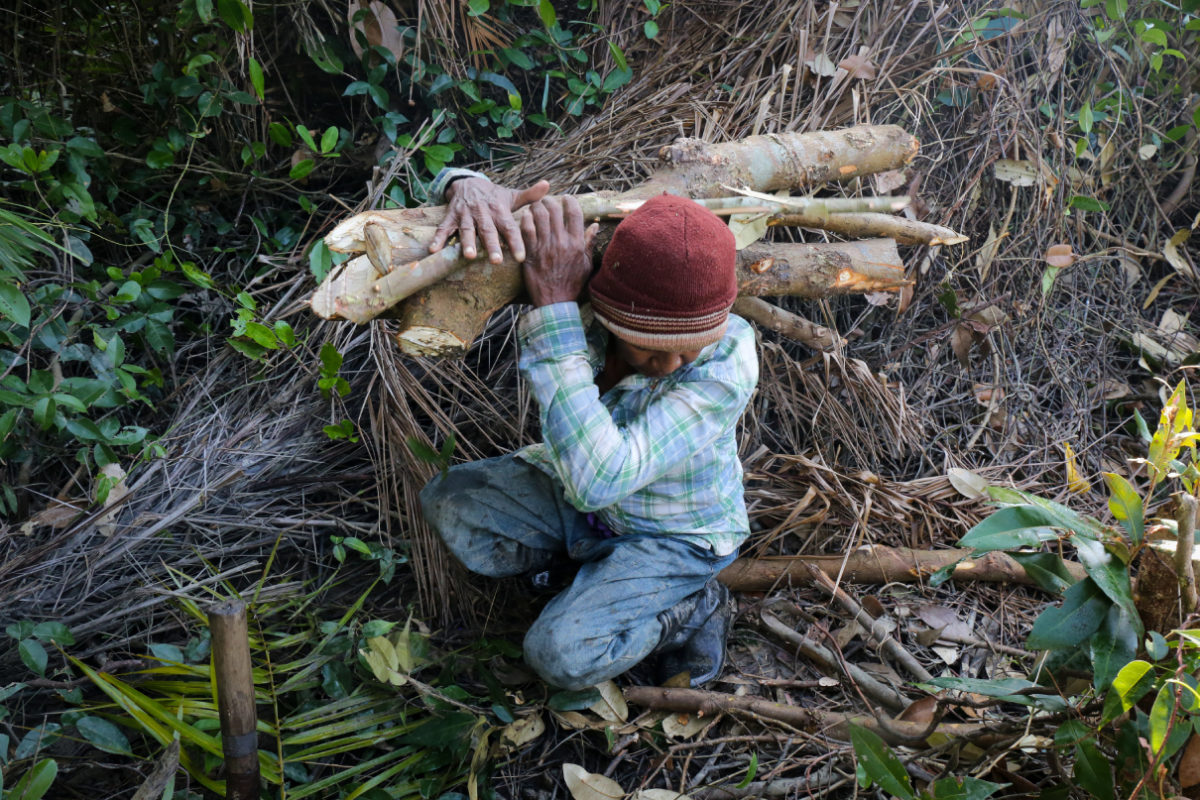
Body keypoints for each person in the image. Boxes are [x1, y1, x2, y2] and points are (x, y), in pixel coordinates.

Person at [418, 168, 759, 691]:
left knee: (561, 654)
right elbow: (487, 197)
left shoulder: (729, 360)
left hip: (673, 537)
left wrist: (553, 310)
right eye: (647, 343)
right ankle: (592, 572)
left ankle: (692, 607)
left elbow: (600, 478)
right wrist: (463, 183)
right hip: (590, 509)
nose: (670, 365)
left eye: (690, 346)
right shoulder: (593, 306)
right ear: (606, 307)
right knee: (450, 502)